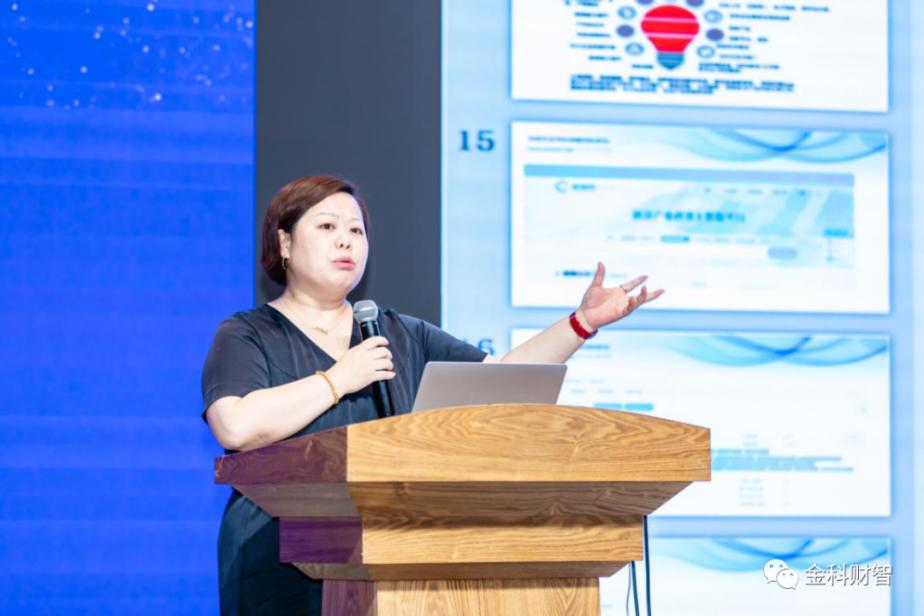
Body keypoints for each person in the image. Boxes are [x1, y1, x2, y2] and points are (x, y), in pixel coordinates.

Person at [201, 174, 662, 614]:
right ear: (284, 243)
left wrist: (581, 324)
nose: (346, 241)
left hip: (396, 557)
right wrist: (338, 379)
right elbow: (236, 426)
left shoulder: (402, 333)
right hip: (276, 558)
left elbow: (504, 382)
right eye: (327, 227)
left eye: (356, 231)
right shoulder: (247, 334)